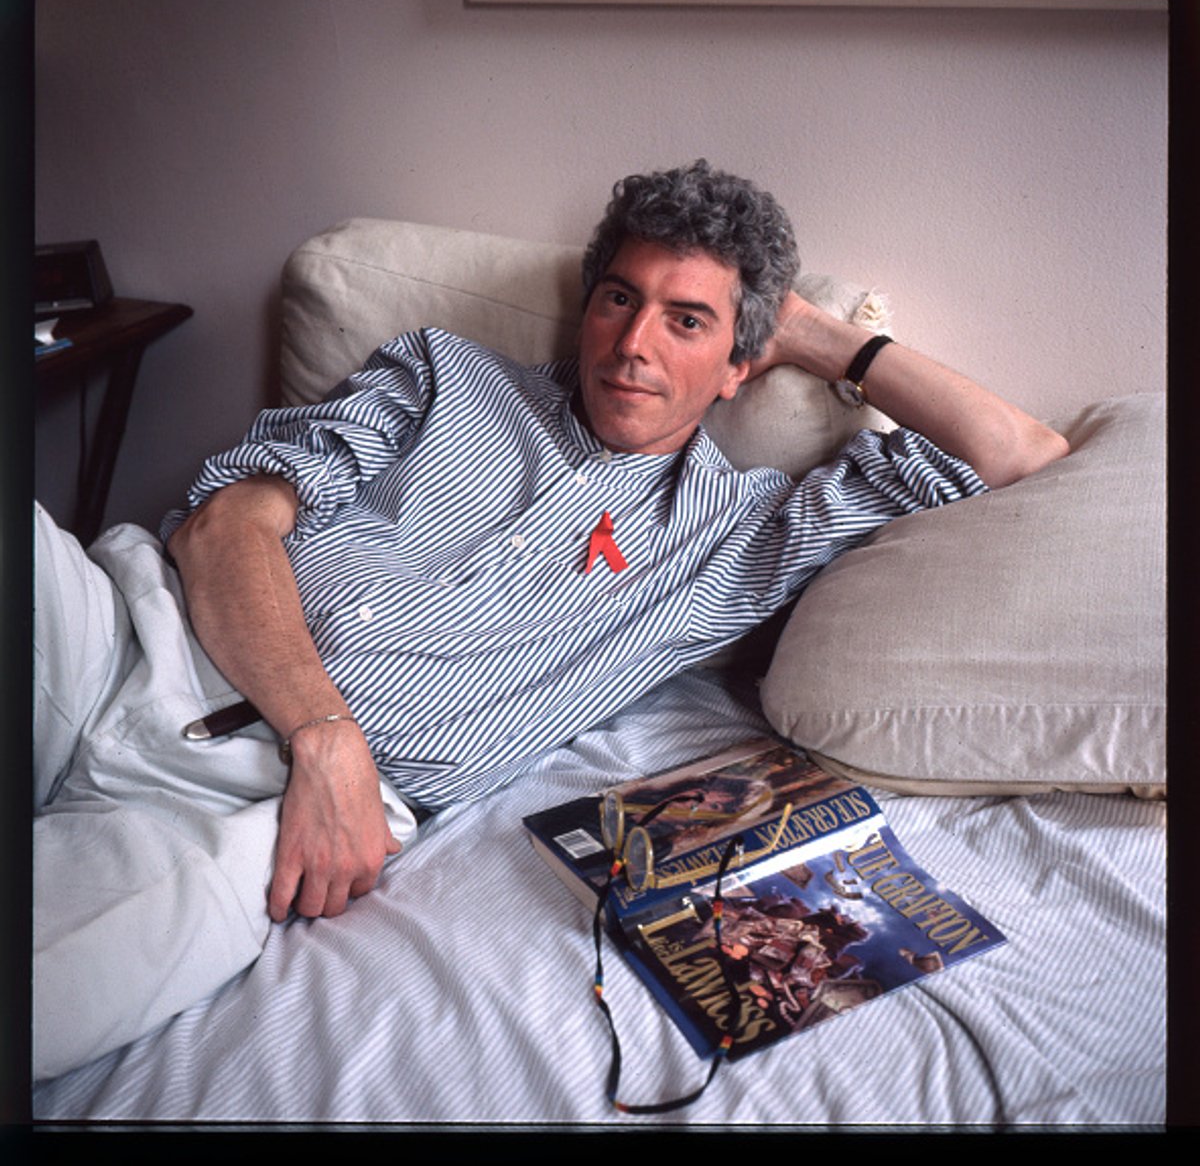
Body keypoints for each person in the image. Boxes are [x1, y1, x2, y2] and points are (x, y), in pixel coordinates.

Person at [32, 160, 1068, 1080]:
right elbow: (225, 527)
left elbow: (1021, 453)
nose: (632, 342)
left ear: (740, 366)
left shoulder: (738, 537)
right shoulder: (443, 376)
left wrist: (816, 331)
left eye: (687, 319)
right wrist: (324, 729)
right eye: (620, 297)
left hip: (249, 816)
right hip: (119, 634)